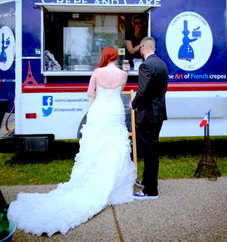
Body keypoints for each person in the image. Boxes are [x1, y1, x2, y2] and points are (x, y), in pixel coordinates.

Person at [8, 46, 136, 237]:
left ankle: (94, 180)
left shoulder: (97, 72)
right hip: (115, 111)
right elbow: (120, 91)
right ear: (116, 57)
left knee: (96, 145)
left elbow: (89, 94)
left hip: (100, 111)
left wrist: (98, 92)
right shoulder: (123, 74)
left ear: (104, 56)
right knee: (114, 145)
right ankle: (113, 184)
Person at [130, 37, 168, 200]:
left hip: (147, 114)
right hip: (158, 113)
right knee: (151, 149)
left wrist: (134, 103)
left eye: (140, 48)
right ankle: (146, 180)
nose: (139, 50)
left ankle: (151, 190)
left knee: (150, 151)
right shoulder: (162, 64)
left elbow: (143, 90)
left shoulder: (146, 65)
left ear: (144, 47)